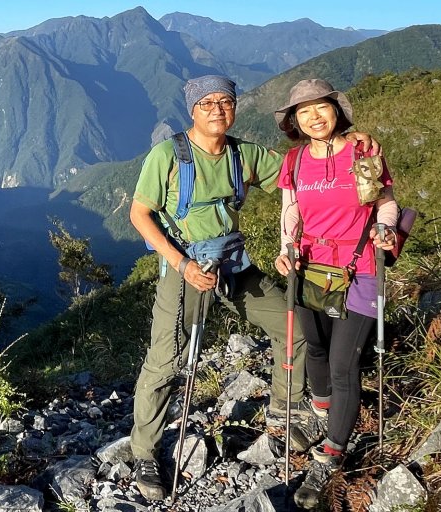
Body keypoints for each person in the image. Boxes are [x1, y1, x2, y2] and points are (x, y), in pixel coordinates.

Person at [127, 74, 376, 502]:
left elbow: (302, 171)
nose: (218, 110)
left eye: (225, 101)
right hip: (188, 265)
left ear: (235, 107)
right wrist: (182, 264)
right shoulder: (168, 156)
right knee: (166, 361)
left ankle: (284, 413)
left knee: (293, 329)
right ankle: (144, 452)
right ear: (192, 110)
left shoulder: (242, 155)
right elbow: (139, 214)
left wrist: (351, 143)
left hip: (234, 264)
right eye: (207, 103)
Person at [273, 79, 398, 510]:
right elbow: (290, 212)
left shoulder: (364, 153)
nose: (313, 116)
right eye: (303, 111)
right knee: (318, 349)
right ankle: (324, 412)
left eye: (320, 107)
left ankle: (332, 452)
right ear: (294, 121)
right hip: (309, 268)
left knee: (345, 363)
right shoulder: (294, 160)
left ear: (336, 110)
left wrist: (385, 227)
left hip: (359, 266)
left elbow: (385, 202)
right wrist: (284, 250)